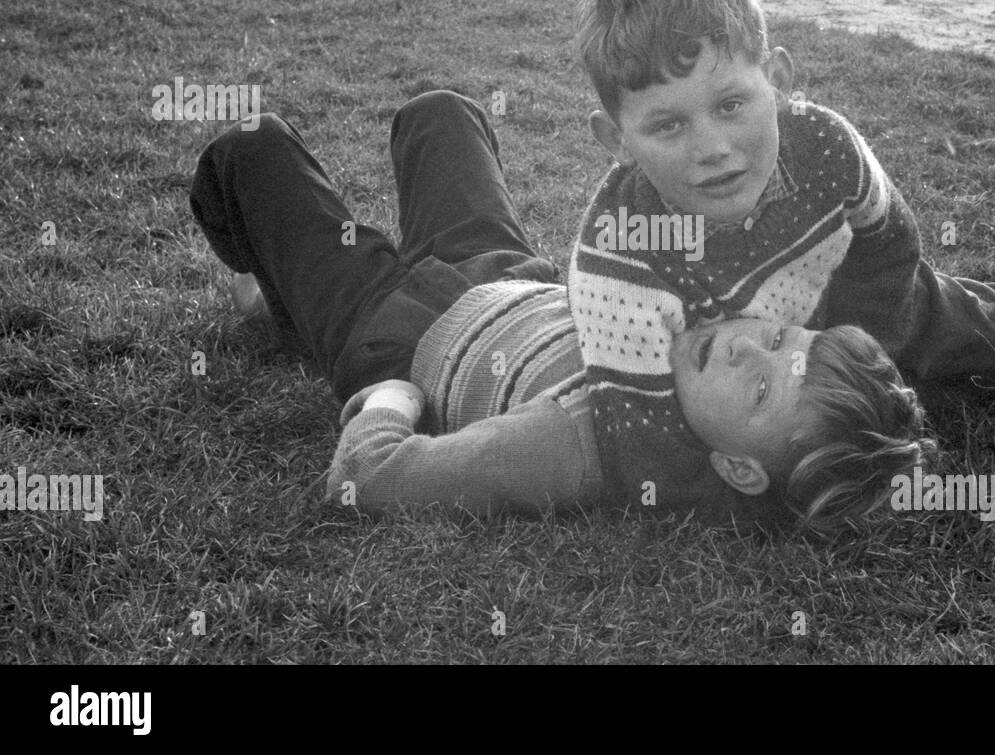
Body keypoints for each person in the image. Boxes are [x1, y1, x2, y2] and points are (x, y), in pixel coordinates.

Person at [567, 0, 995, 517]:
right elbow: (644, 444)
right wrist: (778, 494)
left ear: (778, 83)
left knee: (962, 333)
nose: (713, 148)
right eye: (667, 125)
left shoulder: (825, 145)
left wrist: (865, 353)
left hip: (856, 296)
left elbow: (891, 244)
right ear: (616, 140)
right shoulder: (617, 256)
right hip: (742, 364)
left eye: (731, 105)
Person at [190, 90, 933, 534]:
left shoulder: (579, 445)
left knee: (250, 142)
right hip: (506, 274)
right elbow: (889, 292)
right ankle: (286, 298)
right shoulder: (710, 325)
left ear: (738, 467)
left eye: (762, 390)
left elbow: (370, 477)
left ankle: (272, 294)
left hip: (393, 331)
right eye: (775, 336)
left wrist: (388, 401)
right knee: (440, 112)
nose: (744, 346)